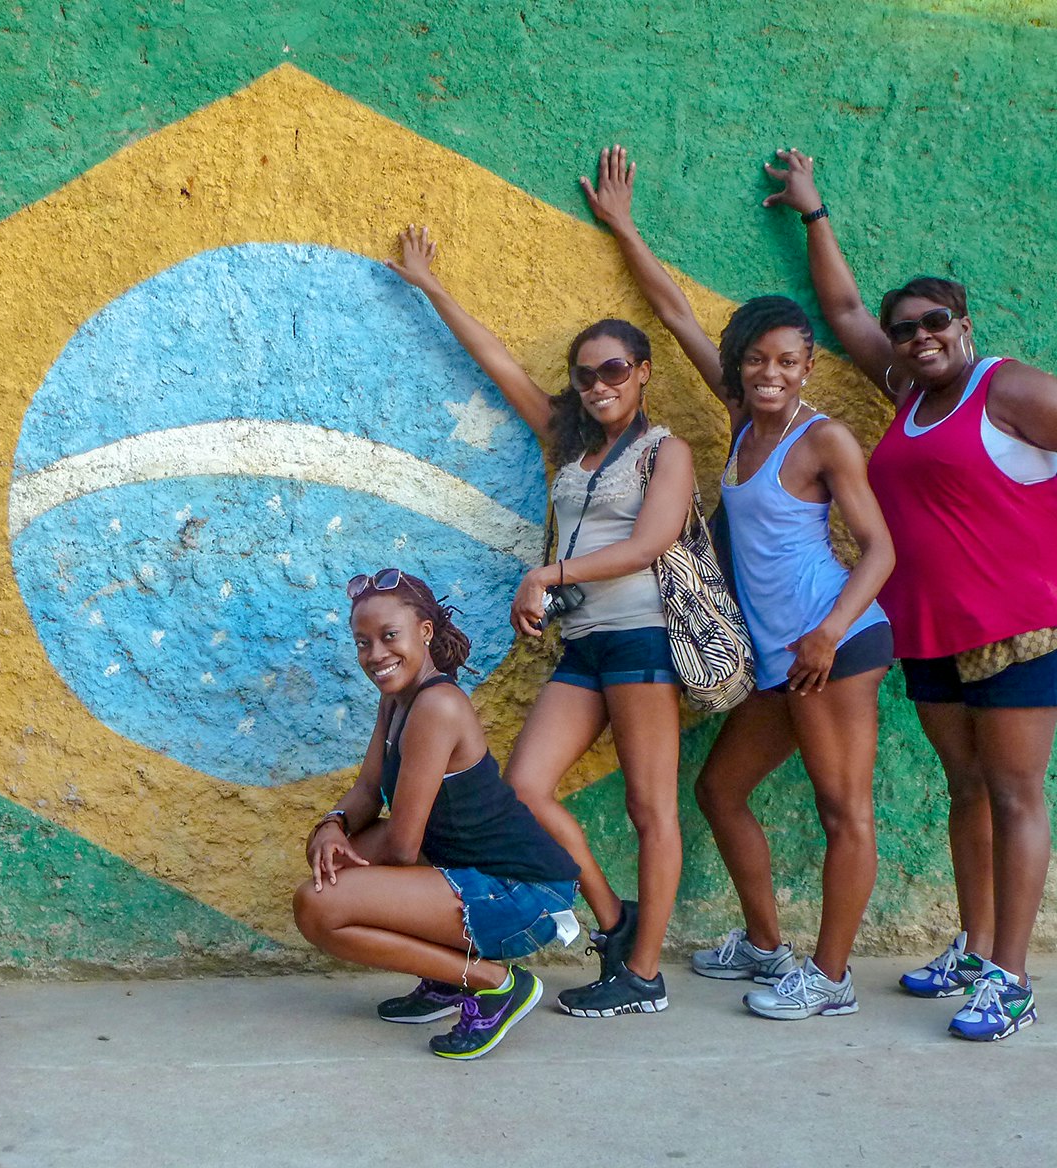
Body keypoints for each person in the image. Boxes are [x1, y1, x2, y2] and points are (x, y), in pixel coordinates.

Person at [581, 146, 895, 1020]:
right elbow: (675, 310)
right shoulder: (738, 419)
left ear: (808, 369)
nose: (771, 374)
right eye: (757, 359)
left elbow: (879, 551)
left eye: (789, 362)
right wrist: (625, 229)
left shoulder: (823, 438)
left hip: (834, 642)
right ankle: (766, 944)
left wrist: (829, 632)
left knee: (843, 810)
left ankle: (829, 980)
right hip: (777, 654)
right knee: (719, 790)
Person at [765, 147, 1057, 1041]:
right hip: (928, 630)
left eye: (936, 321)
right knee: (964, 790)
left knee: (1013, 797)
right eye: (907, 328)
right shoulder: (904, 393)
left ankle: (1010, 977)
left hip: (1017, 629)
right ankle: (973, 947)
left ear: (965, 324)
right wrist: (814, 212)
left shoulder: (1006, 387)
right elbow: (845, 311)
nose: (919, 335)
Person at [389, 228, 694, 1018]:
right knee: (524, 788)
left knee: (650, 807)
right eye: (586, 374)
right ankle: (615, 918)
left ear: (642, 374)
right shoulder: (569, 445)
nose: (599, 385)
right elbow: (498, 365)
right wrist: (431, 285)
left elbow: (651, 542)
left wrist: (548, 572)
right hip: (584, 646)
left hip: (642, 639)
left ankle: (644, 975)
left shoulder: (666, 450)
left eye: (615, 371)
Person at [292, 569, 581, 1060]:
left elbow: (403, 847)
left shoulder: (437, 707)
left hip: (523, 892)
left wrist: (343, 866)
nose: (376, 655)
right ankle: (448, 980)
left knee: (318, 905)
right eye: (363, 643)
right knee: (334, 864)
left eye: (389, 637)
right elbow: (367, 789)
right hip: (470, 872)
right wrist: (332, 826)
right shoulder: (397, 698)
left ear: (424, 632)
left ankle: (494, 985)